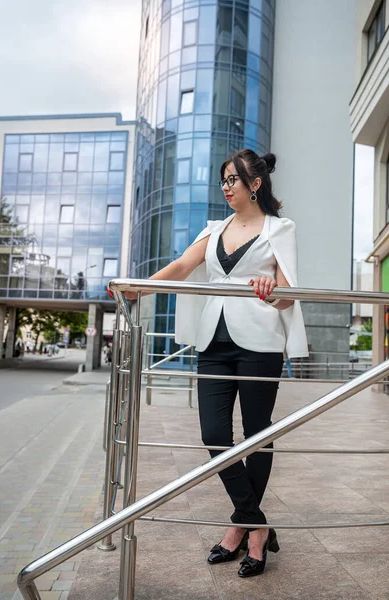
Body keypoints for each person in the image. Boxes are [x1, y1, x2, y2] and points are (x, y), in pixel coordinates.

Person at [124, 149, 308, 577]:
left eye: (233, 180)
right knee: (213, 433)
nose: (226, 188)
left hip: (260, 342)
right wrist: (135, 289)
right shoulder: (214, 229)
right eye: (223, 181)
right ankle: (256, 525)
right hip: (214, 341)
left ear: (255, 184)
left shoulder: (280, 229)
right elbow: (181, 266)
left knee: (257, 434)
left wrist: (269, 287)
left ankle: (241, 531)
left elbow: (288, 292)